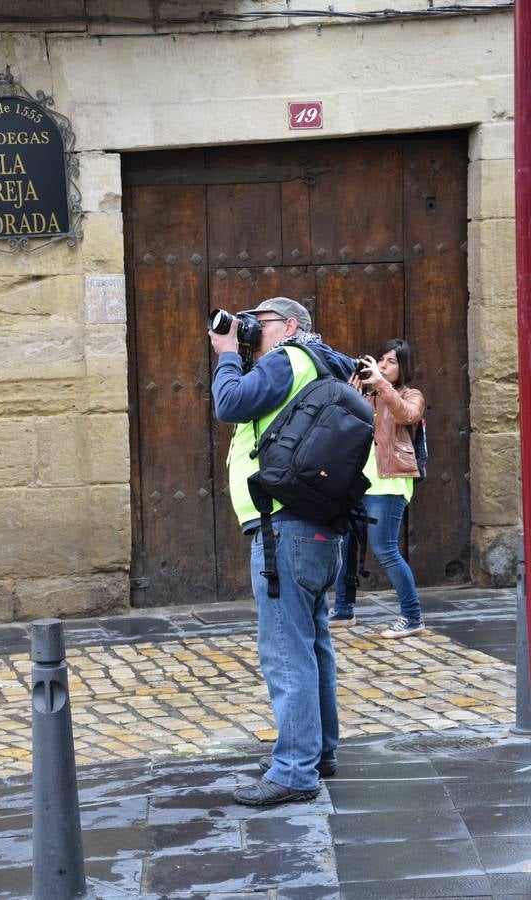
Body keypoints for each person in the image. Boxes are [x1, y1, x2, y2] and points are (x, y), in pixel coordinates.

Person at [209, 297, 354, 807]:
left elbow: (228, 403)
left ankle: (294, 771)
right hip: (311, 528)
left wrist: (227, 351)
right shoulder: (322, 363)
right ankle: (321, 753)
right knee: (313, 645)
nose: (251, 328)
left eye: (260, 321)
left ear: (291, 326)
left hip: (282, 530)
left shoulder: (287, 358)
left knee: (286, 652)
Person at [330, 338, 426, 638]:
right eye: (381, 360)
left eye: (392, 362)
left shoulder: (411, 394)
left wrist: (381, 384)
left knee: (385, 549)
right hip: (357, 483)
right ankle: (344, 610)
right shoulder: (368, 395)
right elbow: (338, 424)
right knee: (345, 544)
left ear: (404, 367)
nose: (383, 366)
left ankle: (412, 617)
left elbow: (407, 415)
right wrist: (350, 392)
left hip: (389, 483)